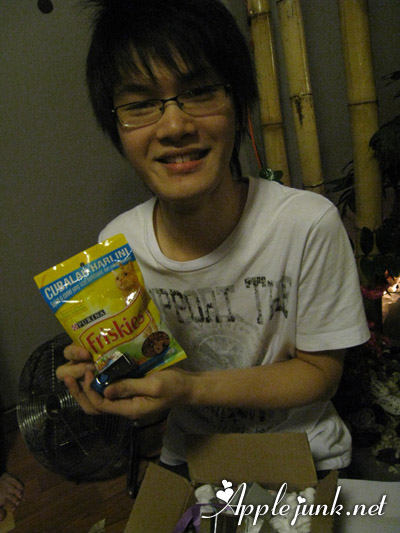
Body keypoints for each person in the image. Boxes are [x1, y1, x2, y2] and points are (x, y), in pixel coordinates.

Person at [57, 0, 369, 474]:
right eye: (140, 104)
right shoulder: (118, 244)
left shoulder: (306, 224)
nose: (175, 126)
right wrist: (109, 379)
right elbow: (148, 378)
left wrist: (189, 389)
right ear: (116, 127)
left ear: (238, 105)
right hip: (194, 457)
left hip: (306, 453)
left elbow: (319, 374)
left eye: (201, 91)